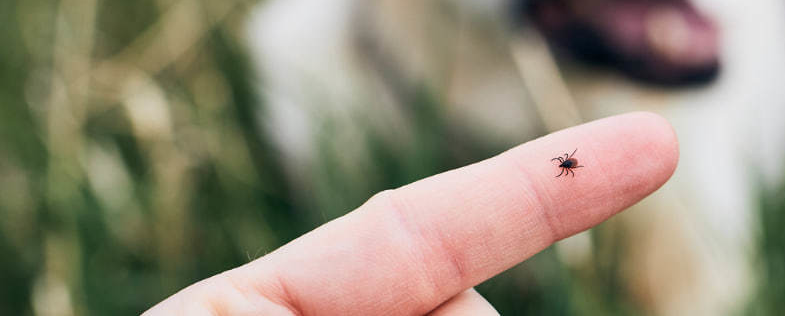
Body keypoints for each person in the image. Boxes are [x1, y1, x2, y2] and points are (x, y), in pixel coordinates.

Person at [143, 112, 679, 315]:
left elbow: (569, 165)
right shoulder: (564, 164)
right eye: (567, 163)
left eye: (566, 163)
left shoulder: (565, 164)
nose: (566, 163)